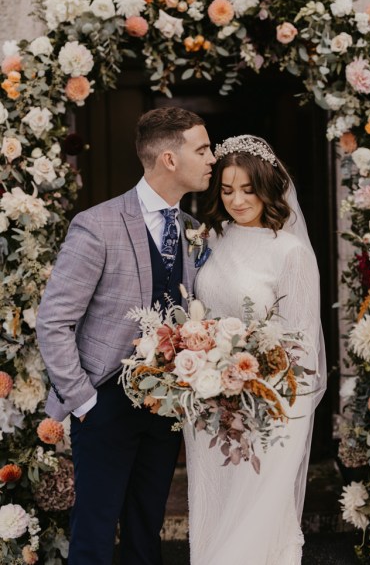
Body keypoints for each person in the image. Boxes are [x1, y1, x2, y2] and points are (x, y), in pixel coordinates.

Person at [36, 106, 216, 565]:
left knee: (146, 531)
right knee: (94, 535)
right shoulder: (98, 225)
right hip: (104, 403)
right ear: (170, 160)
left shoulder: (194, 232)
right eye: (203, 149)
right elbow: (53, 320)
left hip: (166, 406)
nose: (212, 158)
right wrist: (84, 401)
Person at [184, 135, 326, 565]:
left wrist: (261, 399)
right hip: (209, 408)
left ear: (268, 186)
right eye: (227, 190)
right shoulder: (212, 238)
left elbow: (300, 351)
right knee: (213, 510)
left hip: (263, 412)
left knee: (255, 522)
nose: (237, 200)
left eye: (247, 189)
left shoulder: (290, 253)